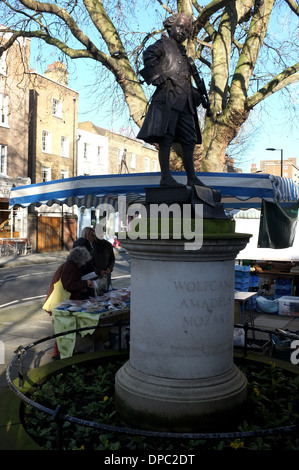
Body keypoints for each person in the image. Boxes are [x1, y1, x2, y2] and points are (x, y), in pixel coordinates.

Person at [137, 13, 208, 188]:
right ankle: (165, 177)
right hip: (168, 98)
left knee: (189, 139)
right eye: (180, 27)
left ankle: (192, 177)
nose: (183, 32)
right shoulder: (163, 44)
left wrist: (199, 94)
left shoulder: (184, 54)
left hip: (185, 101)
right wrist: (156, 75)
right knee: (166, 138)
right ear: (170, 26)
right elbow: (148, 55)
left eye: (187, 30)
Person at [44, 246, 95, 358]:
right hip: (61, 302)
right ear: (79, 259)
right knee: (63, 327)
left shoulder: (70, 265)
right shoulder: (70, 267)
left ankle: (57, 352)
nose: (83, 264)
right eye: (83, 261)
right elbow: (69, 285)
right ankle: (58, 353)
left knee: (62, 327)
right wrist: (85, 283)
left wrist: (82, 286)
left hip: (64, 301)